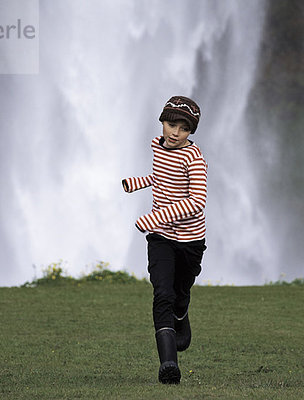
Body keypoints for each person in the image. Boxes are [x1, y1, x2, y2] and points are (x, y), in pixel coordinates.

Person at [121, 95, 207, 384]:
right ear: (162, 122)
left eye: (183, 129)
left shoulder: (195, 159)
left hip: (191, 241)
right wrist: (137, 183)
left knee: (180, 294)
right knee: (162, 294)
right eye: (171, 124)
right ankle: (168, 364)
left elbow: (197, 201)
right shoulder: (159, 148)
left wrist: (154, 218)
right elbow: (162, 176)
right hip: (161, 238)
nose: (175, 133)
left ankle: (182, 313)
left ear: (190, 132)